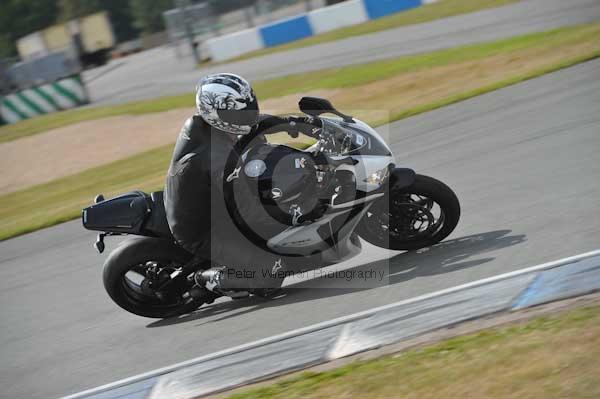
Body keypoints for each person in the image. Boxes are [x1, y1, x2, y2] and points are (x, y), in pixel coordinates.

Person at [164, 73, 320, 299]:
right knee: (270, 272)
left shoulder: (217, 126)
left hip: (214, 202)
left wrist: (299, 123)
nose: (247, 115)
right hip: (204, 228)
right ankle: (204, 279)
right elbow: (249, 213)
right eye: (239, 112)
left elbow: (258, 123)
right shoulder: (216, 158)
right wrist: (295, 218)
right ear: (216, 112)